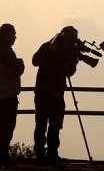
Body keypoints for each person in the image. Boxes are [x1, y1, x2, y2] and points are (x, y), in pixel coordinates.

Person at [32, 26, 79, 165]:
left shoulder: (52, 47)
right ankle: (47, 155)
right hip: (51, 94)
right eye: (73, 38)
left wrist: (72, 60)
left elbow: (69, 72)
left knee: (49, 126)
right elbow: (35, 61)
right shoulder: (49, 46)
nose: (74, 41)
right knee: (47, 126)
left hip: (47, 93)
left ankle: (46, 155)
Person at [0, 23, 25, 165]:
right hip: (7, 93)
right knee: (7, 126)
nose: (15, 37)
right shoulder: (5, 51)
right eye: (13, 34)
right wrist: (21, 65)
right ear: (6, 34)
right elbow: (15, 72)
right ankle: (2, 156)